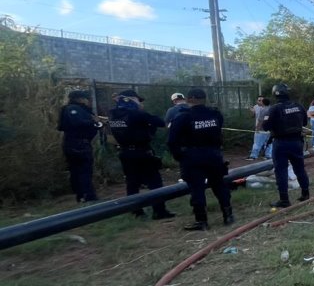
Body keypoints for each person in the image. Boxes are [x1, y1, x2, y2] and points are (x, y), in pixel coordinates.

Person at [168, 88, 232, 231]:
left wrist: (179, 156)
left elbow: (172, 141)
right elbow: (219, 130)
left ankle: (201, 221)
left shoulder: (183, 117)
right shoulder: (215, 114)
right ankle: (228, 215)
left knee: (197, 189)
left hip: (193, 157)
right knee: (219, 185)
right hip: (214, 155)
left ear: (189, 99)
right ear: (205, 99)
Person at [108, 89, 175, 220]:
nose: (140, 103)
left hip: (125, 152)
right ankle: (159, 211)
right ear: (131, 99)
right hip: (142, 152)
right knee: (154, 182)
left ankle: (137, 212)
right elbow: (160, 122)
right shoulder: (137, 114)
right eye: (138, 100)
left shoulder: (113, 114)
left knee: (132, 182)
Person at [263, 83, 310, 208]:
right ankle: (305, 193)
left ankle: (284, 200)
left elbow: (265, 126)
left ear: (275, 94)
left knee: (281, 171)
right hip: (297, 142)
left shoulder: (274, 109)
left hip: (281, 143)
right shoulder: (298, 106)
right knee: (300, 168)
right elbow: (304, 122)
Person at [57, 89, 102, 203]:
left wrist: (97, 123)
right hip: (79, 144)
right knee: (84, 170)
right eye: (86, 98)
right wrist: (94, 122)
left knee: (76, 170)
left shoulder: (73, 109)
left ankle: (81, 196)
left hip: (73, 143)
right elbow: (78, 123)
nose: (87, 101)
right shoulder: (73, 109)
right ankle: (87, 196)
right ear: (79, 99)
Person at [247, 96, 272, 160]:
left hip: (261, 130)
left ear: (264, 102)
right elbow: (253, 116)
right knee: (269, 143)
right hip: (269, 129)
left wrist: (257, 128)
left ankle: (253, 156)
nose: (260, 101)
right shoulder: (271, 108)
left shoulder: (263, 110)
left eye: (262, 100)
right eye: (259, 100)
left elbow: (261, 120)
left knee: (257, 143)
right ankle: (268, 155)